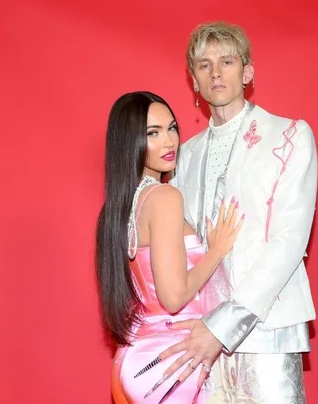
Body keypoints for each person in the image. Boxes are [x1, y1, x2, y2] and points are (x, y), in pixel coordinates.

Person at [137, 21, 318, 403]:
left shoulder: (289, 136)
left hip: (267, 328)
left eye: (227, 61)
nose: (216, 71)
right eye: (204, 64)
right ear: (194, 81)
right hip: (196, 335)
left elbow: (289, 242)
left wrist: (222, 326)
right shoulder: (183, 154)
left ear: (247, 72)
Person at [96, 91, 244, 404]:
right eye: (153, 133)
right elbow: (174, 296)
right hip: (173, 363)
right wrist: (216, 251)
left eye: (172, 128)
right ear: (129, 141)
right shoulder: (164, 198)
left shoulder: (117, 210)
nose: (169, 141)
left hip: (135, 357)